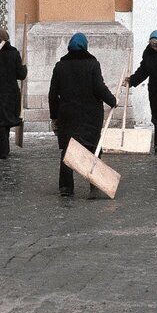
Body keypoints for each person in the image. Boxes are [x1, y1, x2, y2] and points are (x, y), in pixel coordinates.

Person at [48, 32, 117, 197]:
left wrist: (54, 116)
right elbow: (99, 87)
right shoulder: (92, 64)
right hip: (90, 115)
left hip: (67, 115)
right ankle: (95, 184)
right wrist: (112, 100)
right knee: (93, 147)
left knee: (68, 149)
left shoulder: (60, 66)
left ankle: (66, 187)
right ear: (85, 46)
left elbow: (52, 94)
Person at [0, 28, 27, 159]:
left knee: (0, 124)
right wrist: (24, 67)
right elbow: (21, 75)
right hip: (11, 93)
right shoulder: (13, 53)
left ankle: (2, 150)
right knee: (6, 121)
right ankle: (3, 150)